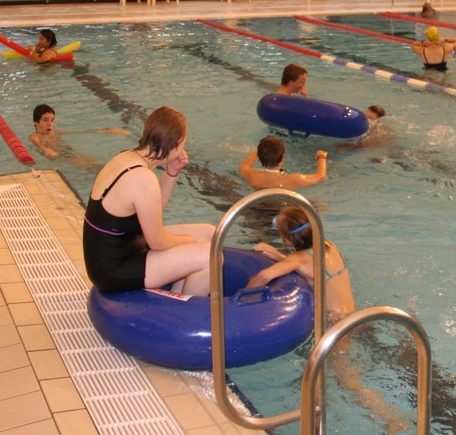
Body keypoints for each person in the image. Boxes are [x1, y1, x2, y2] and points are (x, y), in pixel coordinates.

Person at [249, 207, 408, 434]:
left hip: (336, 326)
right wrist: (280, 257)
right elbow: (310, 265)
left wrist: (244, 295)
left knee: (347, 380)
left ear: (287, 238)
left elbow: (264, 277)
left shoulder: (299, 259)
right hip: (355, 317)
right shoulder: (329, 246)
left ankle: (391, 419)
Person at [83, 106, 215, 295]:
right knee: (210, 257)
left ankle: (176, 298)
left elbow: (154, 205)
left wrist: (172, 171)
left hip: (122, 248)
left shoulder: (128, 157)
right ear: (176, 145)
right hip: (114, 269)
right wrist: (189, 241)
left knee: (210, 235)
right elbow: (158, 243)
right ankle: (182, 318)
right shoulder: (143, 178)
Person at [30, 104, 131, 159]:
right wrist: (47, 150)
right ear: (36, 122)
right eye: (45, 120)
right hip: (60, 156)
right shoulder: (35, 136)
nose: (50, 124)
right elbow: (39, 145)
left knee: (90, 162)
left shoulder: (55, 133)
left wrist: (109, 131)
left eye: (52, 120)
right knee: (90, 165)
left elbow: (81, 132)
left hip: (66, 152)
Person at [239, 136, 328, 190]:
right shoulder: (294, 179)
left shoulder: (252, 176)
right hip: (282, 212)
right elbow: (321, 177)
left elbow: (244, 165)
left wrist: (261, 150)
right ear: (282, 158)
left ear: (259, 156)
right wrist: (322, 157)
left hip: (257, 209)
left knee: (283, 171)